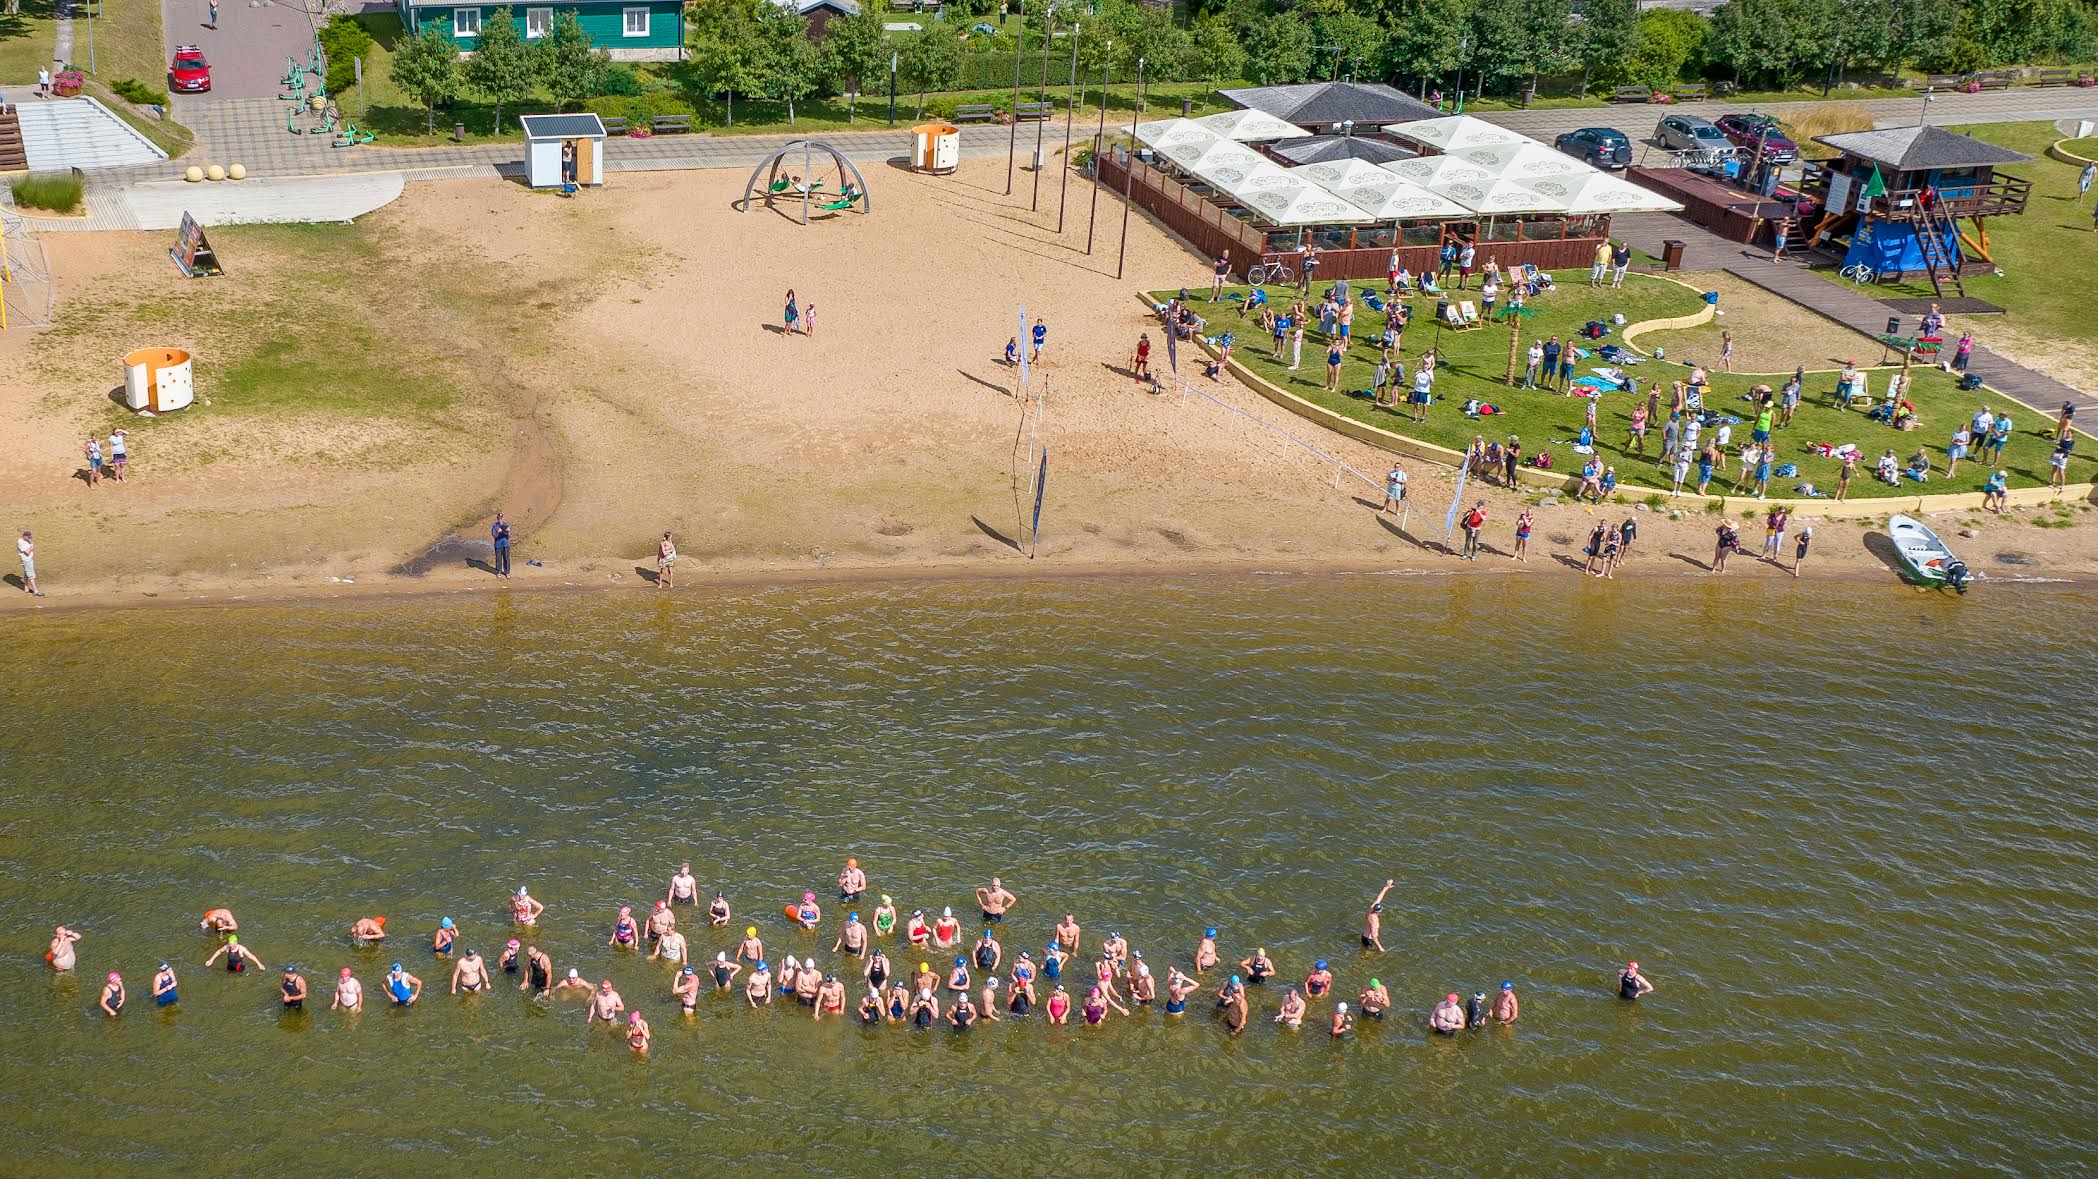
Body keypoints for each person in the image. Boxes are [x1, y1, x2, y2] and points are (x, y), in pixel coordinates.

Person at [1362, 879, 1394, 950]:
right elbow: (1373, 935)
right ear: (1379, 911)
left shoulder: (1370, 910)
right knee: (1367, 958)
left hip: (1364, 936)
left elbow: (1378, 899)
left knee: (1363, 953)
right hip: (1368, 940)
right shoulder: (1374, 920)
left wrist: (1386, 887)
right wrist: (1380, 947)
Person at [487, 512, 513, 579]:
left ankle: (507, 572)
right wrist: (498, 532)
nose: (500, 520)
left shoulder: (506, 524)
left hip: (506, 544)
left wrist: (508, 531)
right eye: (499, 518)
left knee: (507, 559)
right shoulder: (495, 526)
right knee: (498, 559)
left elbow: (509, 535)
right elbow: (494, 536)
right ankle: (498, 572)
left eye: (501, 518)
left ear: (503, 518)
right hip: (498, 545)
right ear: (497, 518)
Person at [17, 531, 40, 596]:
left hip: (28, 559)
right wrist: (31, 547)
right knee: (31, 574)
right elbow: (27, 553)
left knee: (26, 573)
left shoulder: (25, 540)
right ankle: (35, 591)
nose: (29, 539)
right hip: (27, 560)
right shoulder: (20, 542)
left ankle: (26, 588)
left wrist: (30, 544)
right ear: (25, 536)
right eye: (29, 537)